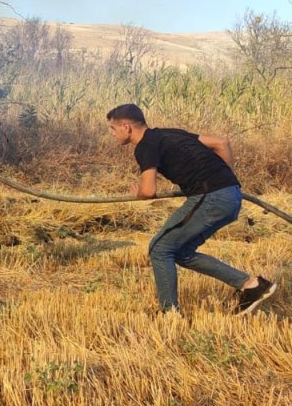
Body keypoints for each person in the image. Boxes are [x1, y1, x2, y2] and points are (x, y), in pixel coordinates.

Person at [107, 103, 277, 314]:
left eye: (113, 129)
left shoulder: (145, 146)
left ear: (126, 127)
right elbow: (221, 143)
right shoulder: (170, 133)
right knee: (180, 252)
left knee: (159, 249)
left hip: (211, 197)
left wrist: (139, 193)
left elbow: (149, 191)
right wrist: (225, 178)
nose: (113, 134)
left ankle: (169, 314)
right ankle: (251, 285)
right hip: (230, 195)